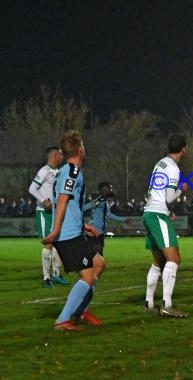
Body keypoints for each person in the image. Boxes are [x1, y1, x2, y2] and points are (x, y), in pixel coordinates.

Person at [42, 130, 101, 330]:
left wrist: (83, 224)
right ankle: (63, 320)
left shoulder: (67, 170)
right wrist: (56, 230)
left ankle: (81, 312)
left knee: (99, 264)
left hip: (74, 230)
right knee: (87, 277)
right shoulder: (72, 171)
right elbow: (63, 200)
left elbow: (70, 204)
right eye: (83, 145)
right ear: (79, 149)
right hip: (67, 235)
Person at [143, 134, 190, 317]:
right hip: (157, 215)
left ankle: (149, 302)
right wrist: (181, 189)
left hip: (149, 212)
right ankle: (167, 305)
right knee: (174, 258)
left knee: (158, 261)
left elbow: (155, 190)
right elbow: (170, 196)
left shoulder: (160, 163)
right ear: (184, 149)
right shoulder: (173, 168)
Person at [28, 146, 69, 288]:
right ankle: (46, 278)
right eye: (61, 154)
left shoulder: (59, 172)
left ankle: (57, 274)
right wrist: (44, 199)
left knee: (59, 243)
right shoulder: (44, 171)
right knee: (48, 243)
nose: (62, 157)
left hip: (56, 212)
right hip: (44, 213)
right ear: (54, 156)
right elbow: (32, 188)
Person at [83, 182, 131, 281]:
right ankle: (88, 279)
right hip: (94, 233)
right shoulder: (99, 200)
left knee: (97, 256)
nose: (112, 190)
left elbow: (109, 215)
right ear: (105, 190)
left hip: (99, 233)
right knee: (96, 257)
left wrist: (124, 220)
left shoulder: (104, 202)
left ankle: (89, 277)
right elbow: (85, 208)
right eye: (110, 188)